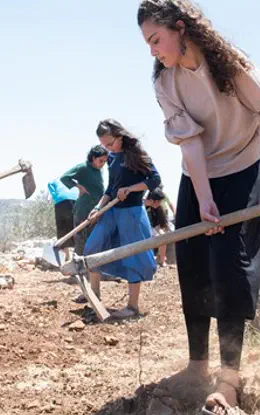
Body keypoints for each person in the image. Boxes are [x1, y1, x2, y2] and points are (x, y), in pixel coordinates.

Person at [138, 0, 260, 413]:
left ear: (180, 28)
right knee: (191, 265)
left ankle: (229, 381)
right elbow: (189, 146)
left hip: (243, 172)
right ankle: (197, 365)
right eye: (147, 44)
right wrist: (205, 202)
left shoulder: (231, 65)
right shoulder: (165, 82)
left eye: (156, 39)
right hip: (199, 179)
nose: (153, 51)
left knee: (229, 266)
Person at [84, 119, 161, 318]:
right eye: (104, 145)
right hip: (111, 211)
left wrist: (131, 189)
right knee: (93, 248)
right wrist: (98, 208)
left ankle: (132, 307)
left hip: (131, 213)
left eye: (110, 144)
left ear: (120, 136)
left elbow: (154, 180)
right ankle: (95, 297)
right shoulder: (111, 157)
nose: (108, 148)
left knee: (132, 255)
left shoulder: (135, 154)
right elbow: (110, 188)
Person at [59, 145, 108, 258]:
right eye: (100, 161)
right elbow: (64, 177)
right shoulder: (83, 167)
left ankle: (91, 268)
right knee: (81, 241)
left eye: (105, 161)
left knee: (94, 240)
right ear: (93, 158)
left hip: (96, 210)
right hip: (83, 210)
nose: (103, 164)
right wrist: (78, 186)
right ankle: (78, 268)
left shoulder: (99, 170)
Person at [47, 178, 79, 263]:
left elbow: (49, 185)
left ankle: (65, 256)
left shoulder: (54, 181)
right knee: (75, 228)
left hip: (61, 202)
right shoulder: (74, 181)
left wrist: (55, 197)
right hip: (75, 200)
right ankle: (77, 255)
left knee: (62, 229)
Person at [144, 188, 174, 267]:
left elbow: (158, 224)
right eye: (158, 201)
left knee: (163, 237)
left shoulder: (157, 209)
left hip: (152, 227)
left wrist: (161, 233)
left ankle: (162, 260)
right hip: (142, 228)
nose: (159, 203)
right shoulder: (141, 205)